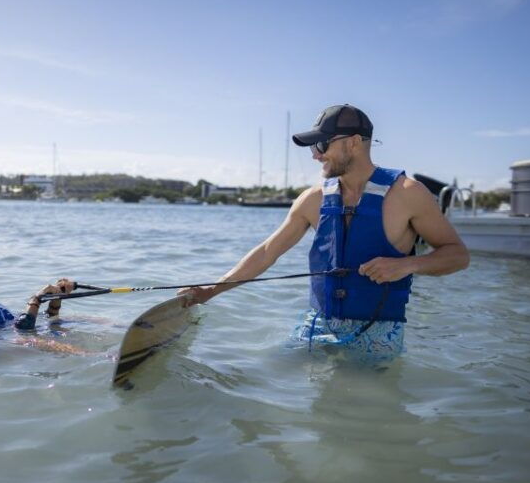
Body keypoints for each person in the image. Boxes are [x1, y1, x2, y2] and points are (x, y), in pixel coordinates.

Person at [181, 104, 469, 356]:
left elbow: (457, 255)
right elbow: (268, 252)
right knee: (271, 374)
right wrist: (211, 290)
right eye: (312, 147)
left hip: (379, 333)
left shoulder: (408, 194)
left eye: (321, 145)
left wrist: (407, 265)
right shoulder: (312, 199)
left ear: (353, 142)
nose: (315, 156)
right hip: (316, 326)